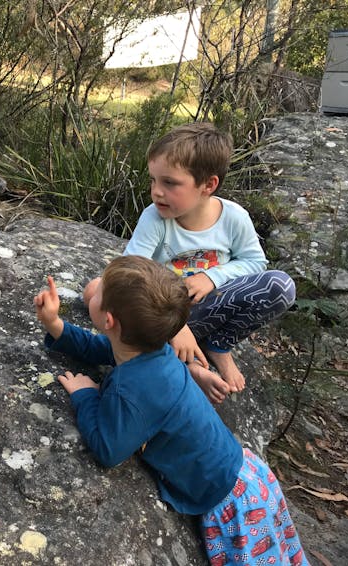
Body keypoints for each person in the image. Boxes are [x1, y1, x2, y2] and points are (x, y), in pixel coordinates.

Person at [35, 256, 308, 566]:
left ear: (109, 320)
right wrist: (55, 325)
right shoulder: (150, 348)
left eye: (98, 291)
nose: (91, 291)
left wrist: (86, 396)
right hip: (247, 475)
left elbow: (108, 449)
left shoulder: (134, 388)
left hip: (230, 500)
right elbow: (99, 348)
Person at [83, 122, 295, 404]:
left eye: (169, 183)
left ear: (208, 185)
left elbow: (255, 263)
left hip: (212, 305)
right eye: (153, 180)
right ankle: (193, 368)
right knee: (96, 290)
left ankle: (218, 346)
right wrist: (175, 327)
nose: (156, 192)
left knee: (280, 285)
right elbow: (130, 270)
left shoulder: (233, 218)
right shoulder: (154, 218)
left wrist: (212, 278)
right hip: (162, 314)